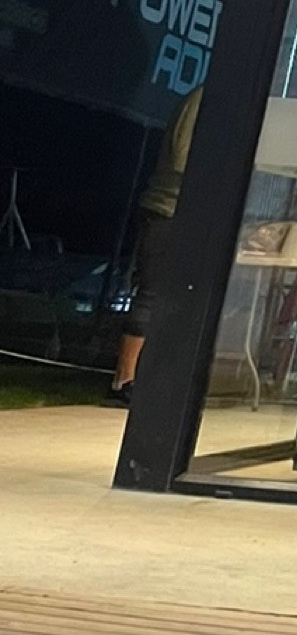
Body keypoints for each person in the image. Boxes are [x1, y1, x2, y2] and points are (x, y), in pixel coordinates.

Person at [111, 84, 202, 400]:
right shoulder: (202, 98)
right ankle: (124, 380)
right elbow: (180, 155)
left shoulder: (223, 101)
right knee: (152, 293)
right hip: (168, 210)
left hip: (192, 214)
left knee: (178, 300)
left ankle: (152, 378)